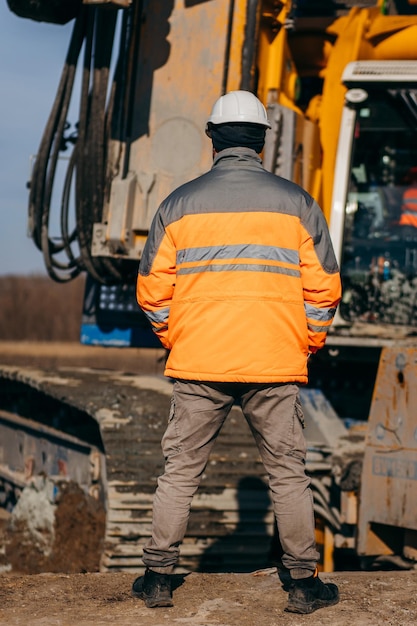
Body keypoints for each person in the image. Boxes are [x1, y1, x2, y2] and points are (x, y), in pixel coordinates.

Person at [134, 90, 342, 614]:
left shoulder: (176, 205)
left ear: (213, 138)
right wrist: (305, 342)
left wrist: (177, 335)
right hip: (275, 364)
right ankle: (301, 586)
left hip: (198, 364)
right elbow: (325, 291)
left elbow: (152, 293)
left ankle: (158, 580)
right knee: (288, 474)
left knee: (179, 472)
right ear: (262, 140)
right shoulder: (299, 204)